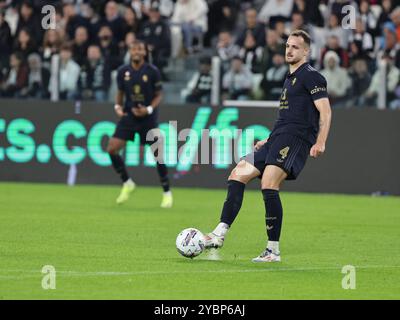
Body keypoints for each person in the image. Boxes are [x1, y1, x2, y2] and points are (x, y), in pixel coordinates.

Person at [203, 30, 332, 262]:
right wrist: (270, 138)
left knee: (268, 184)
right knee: (237, 174)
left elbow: (325, 111)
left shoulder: (311, 76)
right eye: (288, 46)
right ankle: (218, 234)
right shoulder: (289, 77)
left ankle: (273, 250)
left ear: (306, 51)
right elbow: (288, 114)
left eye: (295, 47)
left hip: (295, 138)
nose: (289, 50)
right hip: (277, 137)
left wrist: (320, 141)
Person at [106, 40, 172, 208]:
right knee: (112, 148)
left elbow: (159, 95)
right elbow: (120, 92)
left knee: (158, 154)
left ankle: (166, 192)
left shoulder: (152, 71)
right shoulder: (123, 72)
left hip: (148, 118)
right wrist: (117, 107)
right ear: (130, 51)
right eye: (134, 48)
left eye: (139, 49)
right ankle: (127, 183)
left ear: (144, 52)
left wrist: (149, 109)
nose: (136, 51)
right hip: (129, 116)